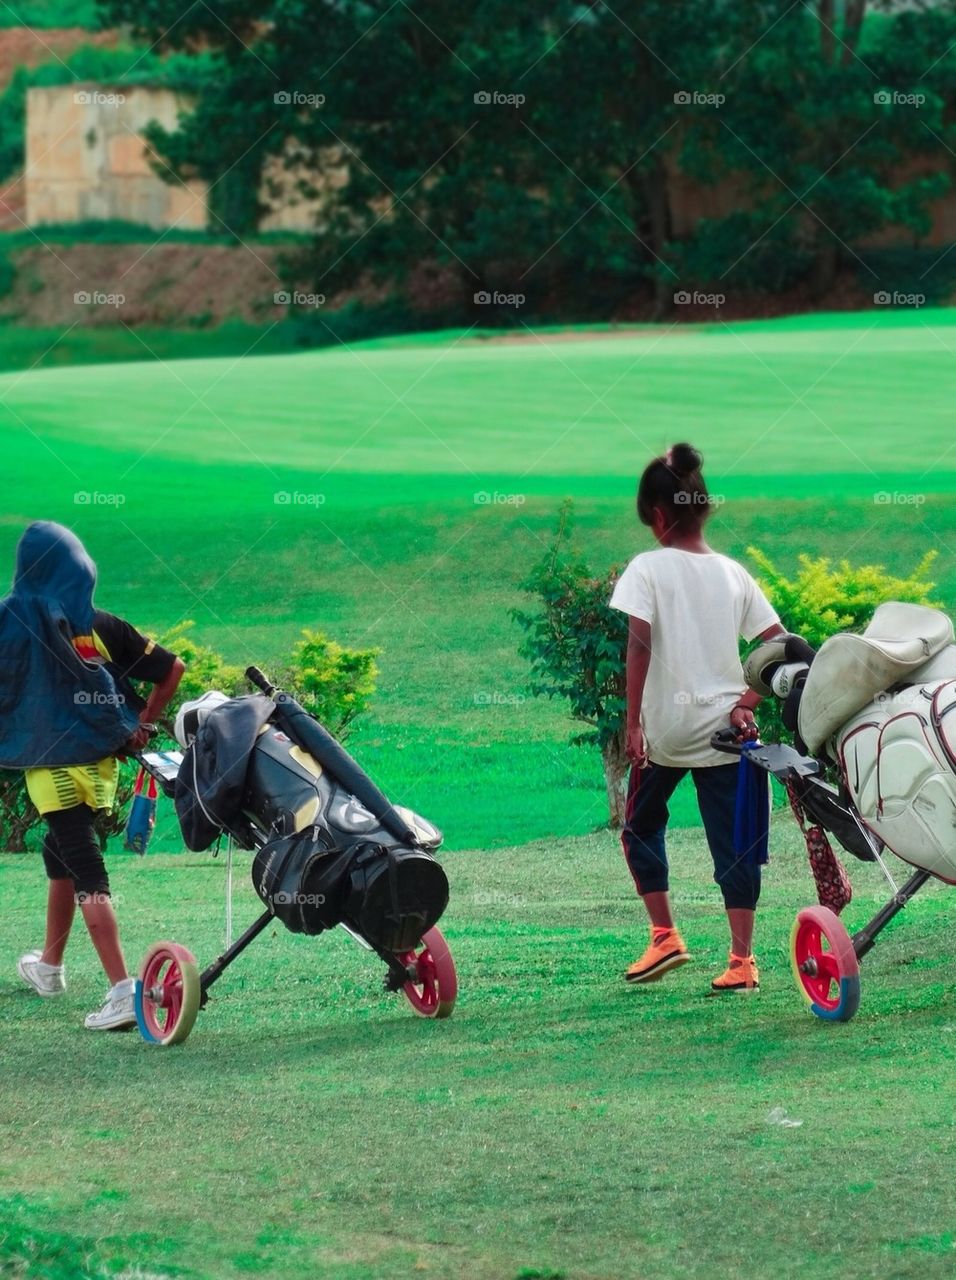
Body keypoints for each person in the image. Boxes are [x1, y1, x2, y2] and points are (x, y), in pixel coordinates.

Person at [609, 444, 785, 993]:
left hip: (664, 733)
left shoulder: (647, 567)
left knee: (639, 825)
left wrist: (633, 723)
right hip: (726, 734)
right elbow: (780, 644)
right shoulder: (733, 574)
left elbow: (639, 645)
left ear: (658, 516)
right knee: (733, 846)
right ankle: (741, 961)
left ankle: (664, 934)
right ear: (702, 508)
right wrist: (745, 704)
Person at [0, 521, 184, 1030]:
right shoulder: (99, 624)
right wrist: (143, 722)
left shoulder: (9, 623)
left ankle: (124, 990)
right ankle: (50, 967)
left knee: (88, 874)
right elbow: (174, 669)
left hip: (52, 772)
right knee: (59, 852)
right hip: (101, 771)